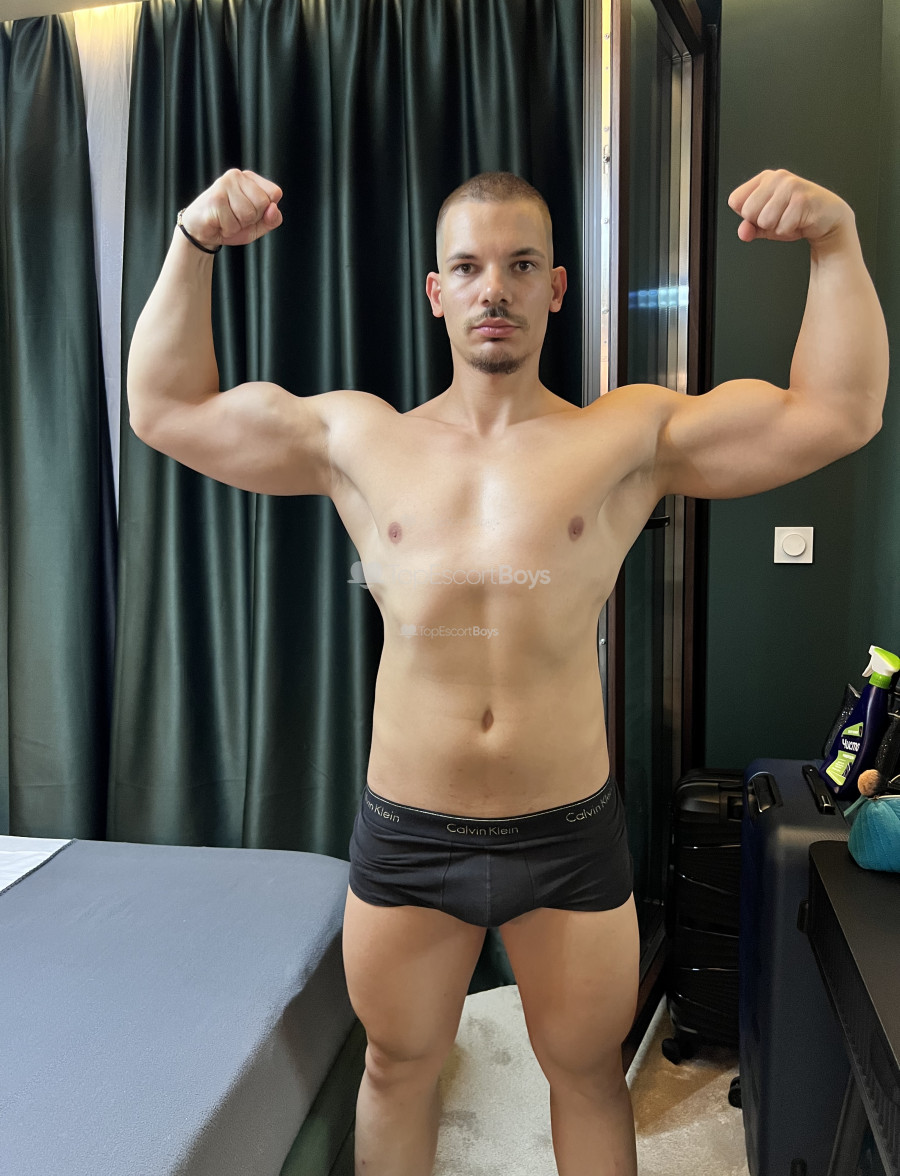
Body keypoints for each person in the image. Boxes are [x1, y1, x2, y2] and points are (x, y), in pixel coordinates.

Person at [127, 166, 888, 1176]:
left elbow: (838, 412)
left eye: (522, 265)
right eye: (469, 267)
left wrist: (836, 239)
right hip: (410, 834)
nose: (495, 288)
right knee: (398, 1069)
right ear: (436, 291)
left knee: (586, 1076)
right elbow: (166, 407)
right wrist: (192, 241)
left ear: (556, 287)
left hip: (567, 835)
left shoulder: (625, 434)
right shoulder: (359, 435)